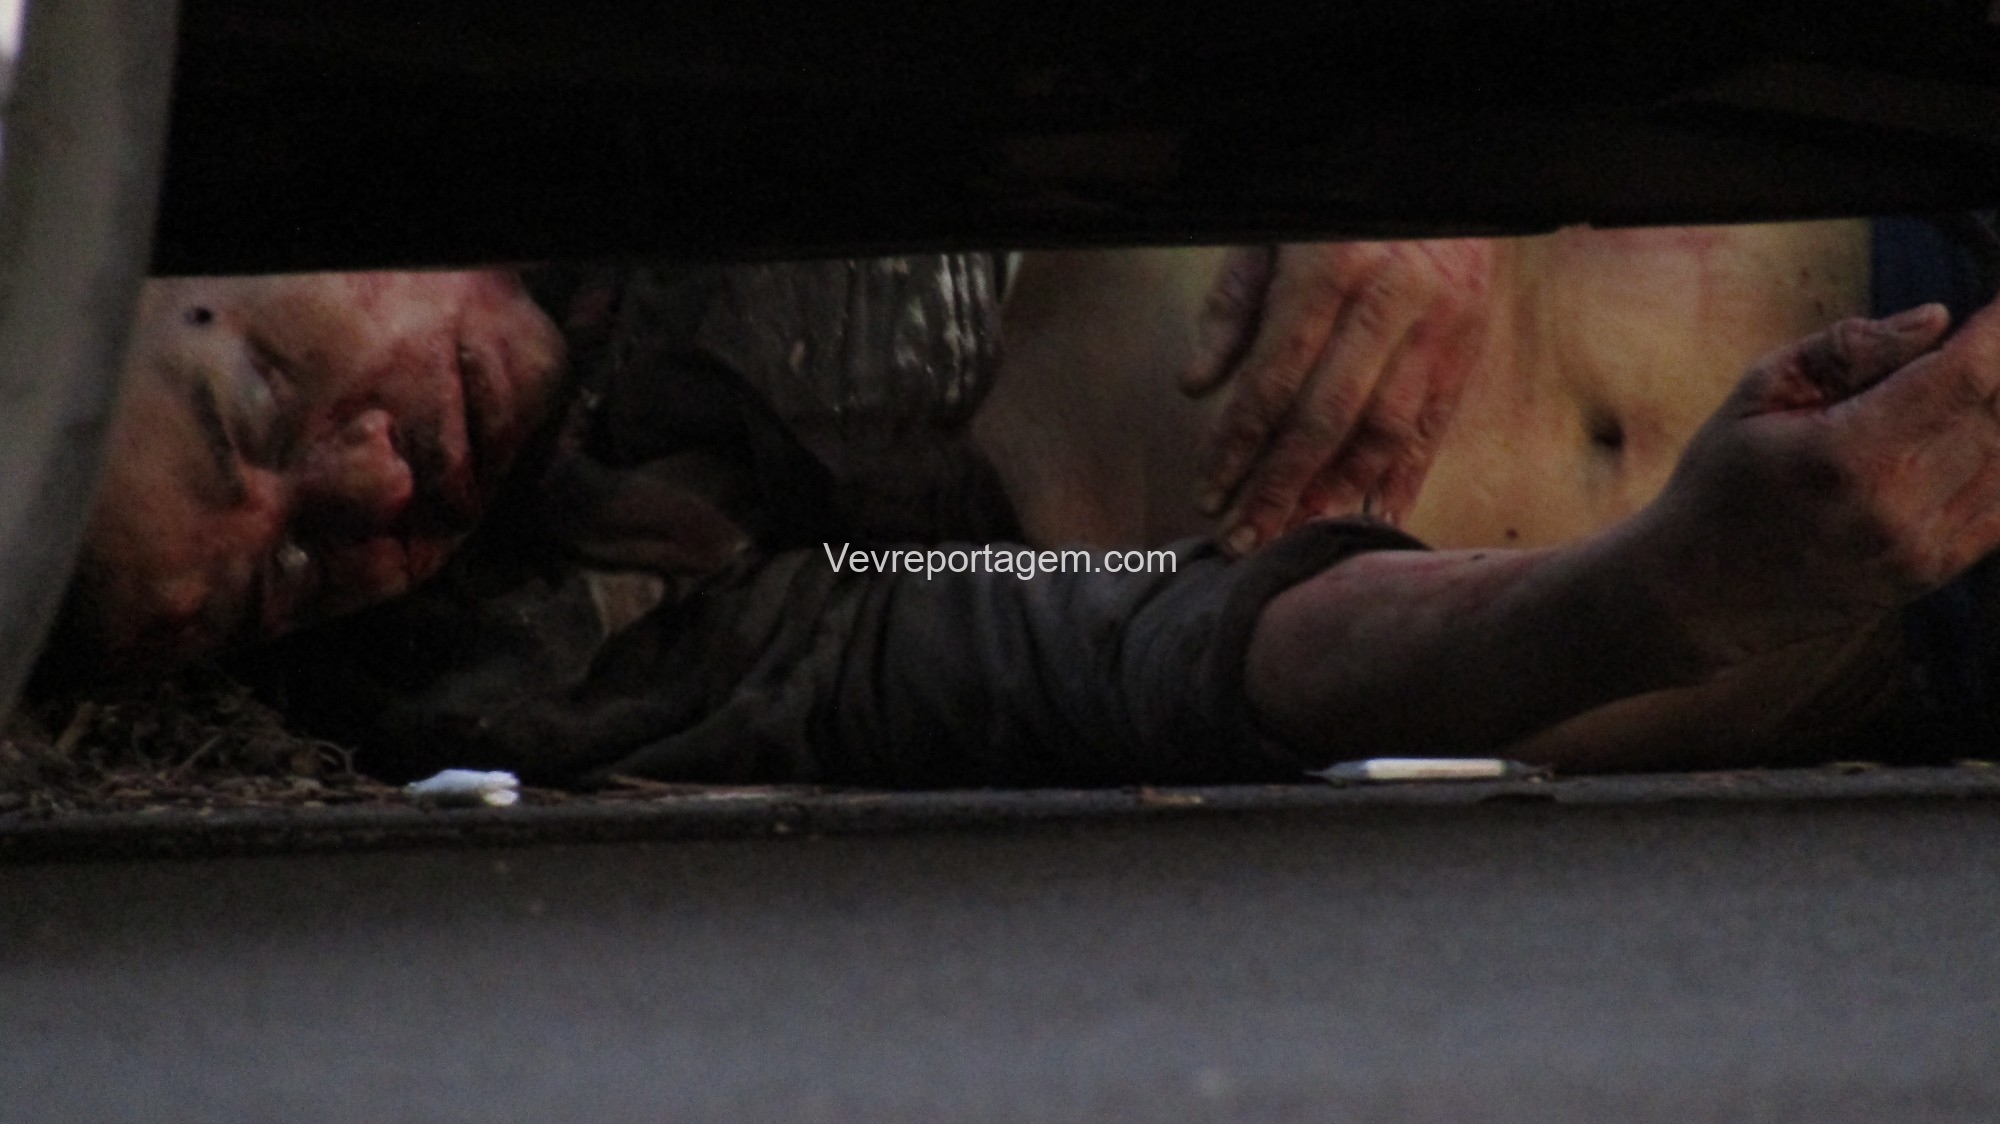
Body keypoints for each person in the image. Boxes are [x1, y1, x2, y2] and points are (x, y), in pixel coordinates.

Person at [30, 215, 2000, 787]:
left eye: (260, 403)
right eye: (294, 578)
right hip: (1898, 597)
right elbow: (1119, 650)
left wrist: (1404, 112)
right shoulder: (550, 632)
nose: (372, 493)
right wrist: (1658, 594)